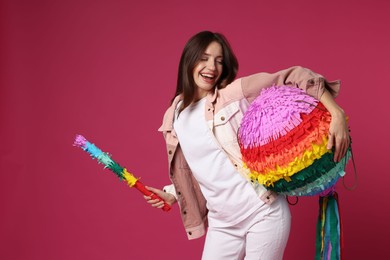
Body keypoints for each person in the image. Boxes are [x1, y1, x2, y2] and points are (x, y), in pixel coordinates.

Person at [144, 31, 350, 259]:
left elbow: (296, 75)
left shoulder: (231, 95)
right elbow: (202, 168)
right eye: (204, 58)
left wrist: (336, 112)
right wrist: (174, 193)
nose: (211, 66)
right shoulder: (175, 115)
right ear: (188, 61)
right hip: (221, 223)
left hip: (263, 213)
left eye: (219, 60)